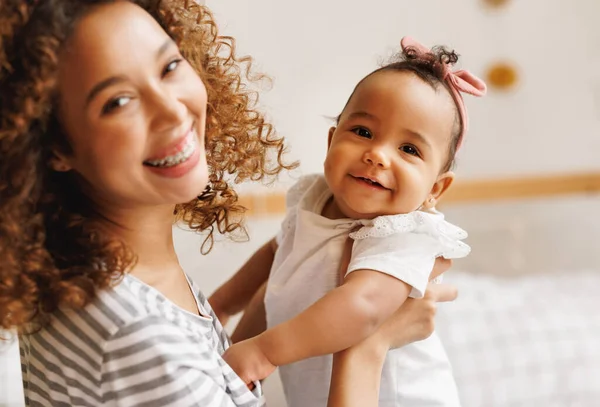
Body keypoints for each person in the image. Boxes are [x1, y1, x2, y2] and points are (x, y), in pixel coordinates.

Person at [0, 1, 456, 406]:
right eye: (118, 101)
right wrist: (368, 348)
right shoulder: (139, 335)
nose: (173, 110)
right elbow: (280, 263)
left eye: (169, 67)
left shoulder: (90, 274)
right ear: (51, 144)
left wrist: (241, 328)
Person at [214, 37, 486, 406]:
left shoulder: (404, 236)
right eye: (363, 132)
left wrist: (263, 351)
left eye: (409, 149)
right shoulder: (315, 198)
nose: (377, 154)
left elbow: (362, 306)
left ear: (435, 188)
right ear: (331, 142)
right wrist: (222, 305)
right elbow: (277, 254)